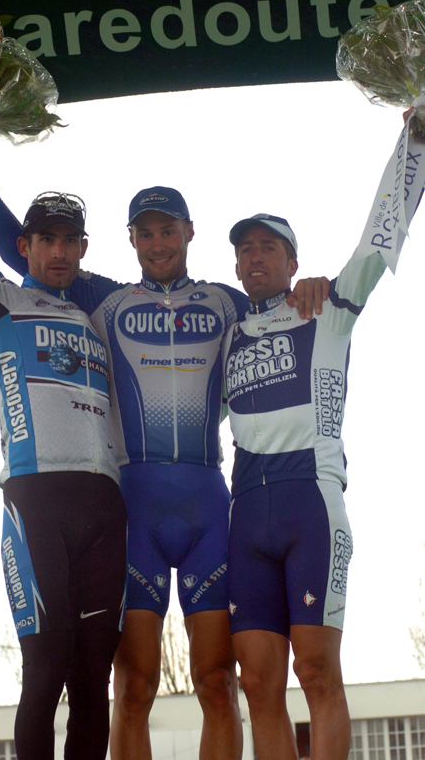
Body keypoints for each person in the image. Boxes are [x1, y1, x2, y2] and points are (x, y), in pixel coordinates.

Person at [0, 123, 327, 760]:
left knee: (217, 682)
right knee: (133, 688)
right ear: (129, 240)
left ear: (189, 234)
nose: (158, 243)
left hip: (209, 502)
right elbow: (25, 250)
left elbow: (276, 301)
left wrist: (306, 286)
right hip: (135, 508)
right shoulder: (105, 297)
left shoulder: (228, 300)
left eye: (168, 230)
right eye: (145, 232)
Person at [0, 114, 127, 760]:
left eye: (71, 241)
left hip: (105, 507)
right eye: (46, 239)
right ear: (26, 246)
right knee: (48, 662)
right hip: (36, 501)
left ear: (84, 250)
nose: (60, 251)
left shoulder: (101, 318)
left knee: (95, 676)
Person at [222, 204, 417, 760]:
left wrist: (416, 147)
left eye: (268, 248)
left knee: (316, 672)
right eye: (245, 250)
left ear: (292, 262)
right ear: (237, 268)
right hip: (246, 516)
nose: (254, 257)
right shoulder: (230, 335)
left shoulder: (325, 307)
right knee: (258, 686)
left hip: (310, 505)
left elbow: (376, 245)